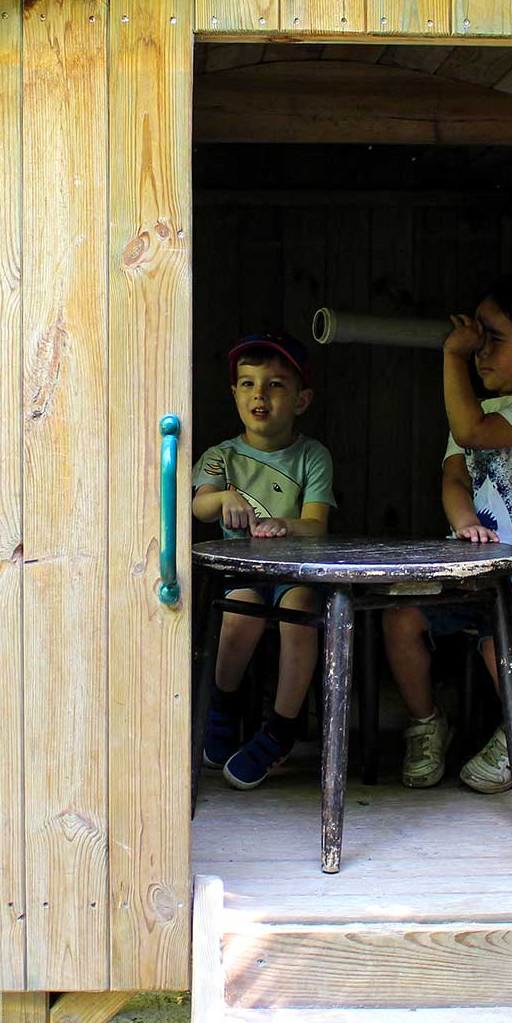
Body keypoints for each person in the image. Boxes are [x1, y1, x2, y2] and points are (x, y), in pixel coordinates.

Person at [383, 271, 512, 793]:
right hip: (470, 568)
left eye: (493, 339)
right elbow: (454, 477)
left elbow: (471, 432)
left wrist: (451, 357)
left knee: (501, 640)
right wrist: (464, 522)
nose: (477, 352)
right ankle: (427, 723)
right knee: (400, 618)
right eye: (474, 341)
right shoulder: (471, 411)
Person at [192, 331, 337, 790]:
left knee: (300, 611)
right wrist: (223, 499)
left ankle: (281, 728)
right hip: (243, 573)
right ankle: (223, 705)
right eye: (248, 383)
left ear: (301, 399)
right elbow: (199, 506)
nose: (260, 395)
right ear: (234, 393)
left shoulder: (312, 456)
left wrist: (284, 525)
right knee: (240, 612)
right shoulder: (220, 457)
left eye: (275, 384)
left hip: (296, 571)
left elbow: (316, 525)